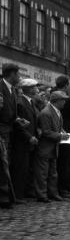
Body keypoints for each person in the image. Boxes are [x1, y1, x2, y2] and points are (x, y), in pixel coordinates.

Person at [34, 91, 70, 202]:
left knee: (53, 173)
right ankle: (42, 195)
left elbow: (57, 127)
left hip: (53, 147)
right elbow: (46, 132)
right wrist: (61, 136)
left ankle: (53, 193)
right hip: (45, 147)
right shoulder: (46, 113)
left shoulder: (57, 111)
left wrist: (62, 132)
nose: (65, 102)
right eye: (63, 100)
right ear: (57, 101)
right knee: (43, 173)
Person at [11, 78, 40, 202]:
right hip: (22, 141)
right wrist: (29, 137)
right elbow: (18, 125)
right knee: (20, 168)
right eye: (34, 87)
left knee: (28, 168)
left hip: (31, 141)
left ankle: (26, 191)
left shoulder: (30, 102)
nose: (36, 89)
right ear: (28, 89)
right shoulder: (20, 103)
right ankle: (18, 194)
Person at [0, 63, 21, 209]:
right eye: (18, 74)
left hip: (9, 130)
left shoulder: (12, 90)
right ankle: (4, 196)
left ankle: (7, 195)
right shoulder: (0, 87)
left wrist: (17, 119)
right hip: (1, 131)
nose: (19, 77)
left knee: (6, 163)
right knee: (2, 164)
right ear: (12, 74)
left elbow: (10, 112)